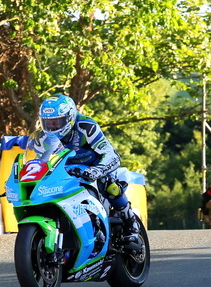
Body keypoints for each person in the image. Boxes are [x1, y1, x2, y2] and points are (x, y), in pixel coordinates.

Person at [37, 94, 140, 243]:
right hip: (66, 173)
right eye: (48, 123)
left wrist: (97, 170)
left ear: (69, 117)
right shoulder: (43, 138)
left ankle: (131, 223)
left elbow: (110, 153)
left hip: (94, 167)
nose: (52, 127)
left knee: (110, 186)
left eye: (57, 122)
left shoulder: (86, 126)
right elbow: (38, 163)